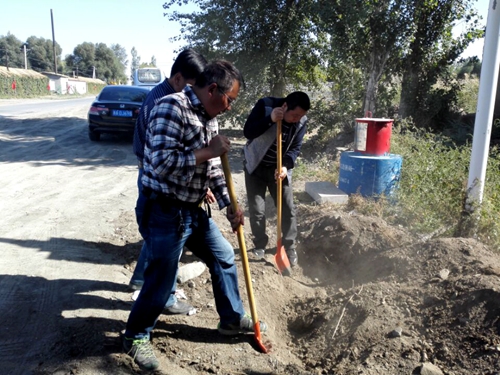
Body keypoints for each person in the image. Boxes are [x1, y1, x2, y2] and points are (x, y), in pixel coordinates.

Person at [123, 60, 267, 371]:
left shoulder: (208, 116)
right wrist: (207, 152)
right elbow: (160, 162)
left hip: (192, 210)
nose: (229, 108)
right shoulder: (170, 108)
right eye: (230, 100)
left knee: (224, 256)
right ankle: (135, 336)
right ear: (213, 89)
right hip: (163, 209)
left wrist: (229, 204)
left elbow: (213, 169)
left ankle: (230, 320)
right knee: (161, 279)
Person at [129, 49, 213, 316]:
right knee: (166, 237)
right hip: (157, 180)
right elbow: (164, 160)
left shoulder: (158, 93)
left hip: (150, 173)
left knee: (160, 238)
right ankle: (162, 298)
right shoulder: (168, 102)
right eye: (193, 86)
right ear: (178, 79)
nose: (197, 94)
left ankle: (142, 280)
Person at [243, 91, 310, 267]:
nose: (297, 119)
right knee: (257, 209)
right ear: (285, 106)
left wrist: (285, 166)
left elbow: (295, 148)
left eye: (301, 116)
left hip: (278, 169)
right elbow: (248, 132)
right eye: (294, 115)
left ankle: (289, 246)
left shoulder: (301, 121)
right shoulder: (265, 106)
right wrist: (270, 119)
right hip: (255, 166)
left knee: (288, 208)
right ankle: (259, 243)